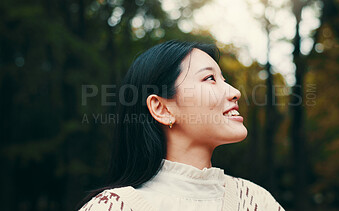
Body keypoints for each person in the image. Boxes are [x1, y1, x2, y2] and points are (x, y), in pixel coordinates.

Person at [79, 40, 284, 211]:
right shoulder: (113, 207)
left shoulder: (255, 201)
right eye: (210, 78)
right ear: (162, 109)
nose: (235, 92)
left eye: (224, 79)